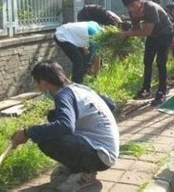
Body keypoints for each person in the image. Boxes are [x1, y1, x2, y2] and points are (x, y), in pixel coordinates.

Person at [11, 60, 119, 191]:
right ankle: (78, 168)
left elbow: (66, 126)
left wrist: (28, 132)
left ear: (44, 82)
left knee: (46, 139)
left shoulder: (63, 95)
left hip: (100, 156)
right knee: (53, 115)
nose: (36, 85)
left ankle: (85, 175)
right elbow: (110, 104)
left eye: (36, 82)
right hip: (106, 150)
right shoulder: (79, 88)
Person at [118, 0, 173, 105]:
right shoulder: (132, 11)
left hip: (165, 33)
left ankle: (161, 91)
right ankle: (146, 89)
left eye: (133, 5)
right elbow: (137, 28)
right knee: (147, 61)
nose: (132, 9)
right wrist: (126, 35)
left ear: (139, 0)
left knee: (160, 62)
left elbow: (147, 31)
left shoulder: (150, 8)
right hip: (153, 35)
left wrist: (127, 34)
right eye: (128, 7)